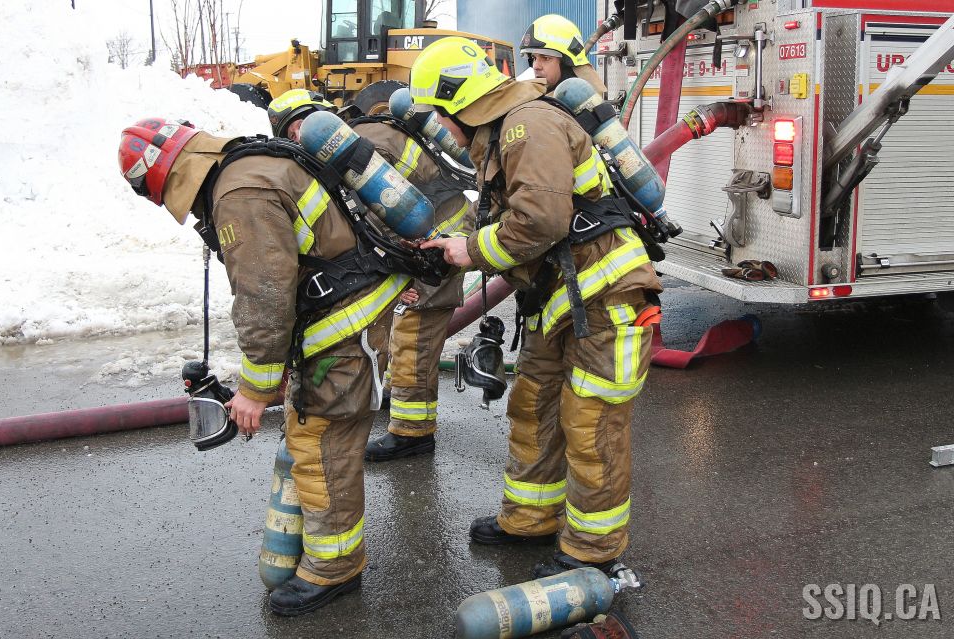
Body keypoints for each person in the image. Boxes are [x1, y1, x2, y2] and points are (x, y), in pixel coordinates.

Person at [117, 114, 408, 616]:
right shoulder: (245, 167)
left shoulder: (239, 195)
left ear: (157, 180)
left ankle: (335, 568)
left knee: (322, 446)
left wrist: (255, 389)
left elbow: (264, 296)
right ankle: (328, 553)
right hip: (344, 312)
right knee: (314, 437)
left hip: (341, 325)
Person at [412, 37, 663, 578]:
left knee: (591, 425)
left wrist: (470, 250)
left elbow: (540, 221)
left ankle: (593, 551)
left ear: (460, 100)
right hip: (560, 298)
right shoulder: (501, 134)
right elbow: (502, 219)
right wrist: (448, 247)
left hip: (606, 297)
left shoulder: (528, 125)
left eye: (439, 113)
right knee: (534, 406)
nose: (442, 127)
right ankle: (529, 518)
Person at [269, 88, 475, 463]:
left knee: (414, 333)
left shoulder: (352, 153)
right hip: (435, 232)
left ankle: (411, 433)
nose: (297, 138)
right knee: (402, 326)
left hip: (436, 240)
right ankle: (396, 394)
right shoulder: (360, 136)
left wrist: (400, 275)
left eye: (299, 127)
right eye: (290, 134)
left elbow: (379, 221)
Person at [521, 14, 606, 95]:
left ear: (565, 65)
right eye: (534, 58)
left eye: (546, 58)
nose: (535, 66)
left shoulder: (577, 101)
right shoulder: (535, 95)